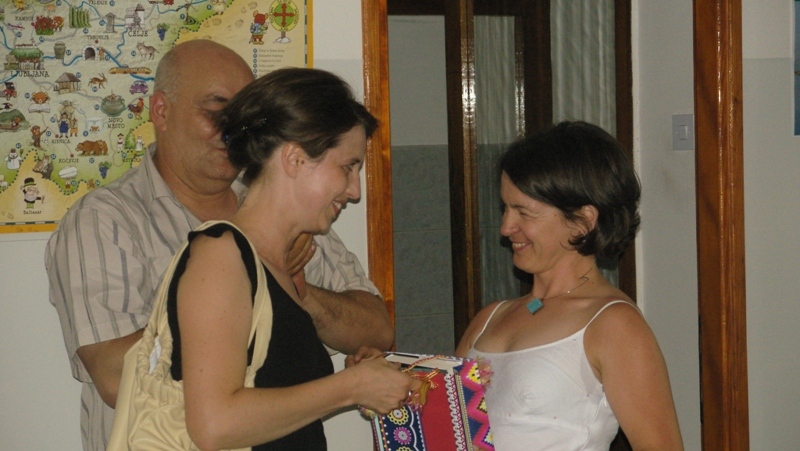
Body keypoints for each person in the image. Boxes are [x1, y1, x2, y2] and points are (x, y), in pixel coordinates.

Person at [45, 40, 394, 451]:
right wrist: (237, 298)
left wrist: (300, 293)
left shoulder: (283, 216)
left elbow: (376, 330)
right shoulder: (109, 219)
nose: (232, 130)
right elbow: (113, 378)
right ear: (161, 111)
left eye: (247, 117)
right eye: (217, 111)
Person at [148, 66, 418, 450]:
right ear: (293, 159)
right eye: (347, 167)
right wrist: (348, 387)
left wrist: (360, 379)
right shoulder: (220, 255)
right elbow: (214, 424)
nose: (355, 191)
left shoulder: (276, 266)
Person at [455, 121, 683, 450]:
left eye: (524, 212)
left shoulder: (614, 324)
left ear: (583, 221)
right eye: (505, 208)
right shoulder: (488, 319)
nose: (506, 227)